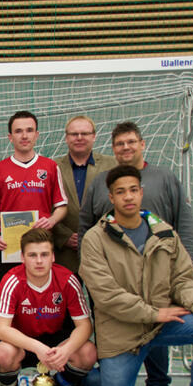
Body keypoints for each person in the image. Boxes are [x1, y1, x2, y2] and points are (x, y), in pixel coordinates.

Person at [79, 121, 193, 386]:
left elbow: (182, 271)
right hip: (121, 320)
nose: (128, 197)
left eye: (133, 190)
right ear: (111, 197)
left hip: (158, 296)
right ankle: (91, 380)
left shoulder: (164, 218)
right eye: (121, 192)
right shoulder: (97, 232)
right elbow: (85, 222)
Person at [0, 228, 96, 386]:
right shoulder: (11, 280)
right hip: (21, 344)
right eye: (32, 255)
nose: (39, 261)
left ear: (53, 257)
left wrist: (66, 350)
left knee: (88, 353)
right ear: (23, 257)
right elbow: (0, 329)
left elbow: (85, 326)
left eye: (44, 254)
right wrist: (36, 347)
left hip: (55, 343)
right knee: (3, 353)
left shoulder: (67, 280)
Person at [0, 110, 68, 298]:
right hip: (8, 248)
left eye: (29, 130)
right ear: (10, 137)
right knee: (10, 300)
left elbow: (61, 206)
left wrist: (52, 220)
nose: (24, 135)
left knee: (40, 299)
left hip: (40, 249)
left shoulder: (50, 167)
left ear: (36, 135)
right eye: (18, 131)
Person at [52, 116, 116, 274]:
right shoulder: (52, 167)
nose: (79, 138)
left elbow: (119, 205)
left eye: (85, 133)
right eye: (74, 134)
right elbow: (44, 206)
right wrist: (64, 236)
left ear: (94, 136)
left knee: (102, 299)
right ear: (66, 138)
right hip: (64, 255)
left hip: (102, 251)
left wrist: (95, 236)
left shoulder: (113, 165)